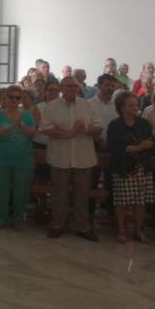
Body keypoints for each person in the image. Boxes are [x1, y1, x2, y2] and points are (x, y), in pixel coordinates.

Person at [40, 77, 102, 240]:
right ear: (61, 87)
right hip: (60, 156)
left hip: (83, 157)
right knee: (59, 193)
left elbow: (98, 127)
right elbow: (46, 129)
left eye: (76, 86)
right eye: (69, 86)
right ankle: (57, 224)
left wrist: (86, 129)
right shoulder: (52, 106)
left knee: (82, 194)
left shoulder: (87, 105)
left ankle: (83, 226)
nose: (73, 88)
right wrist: (70, 134)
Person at [106, 91, 155, 244]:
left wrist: (137, 148)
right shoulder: (115, 125)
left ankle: (138, 230)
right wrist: (139, 147)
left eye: (136, 104)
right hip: (122, 167)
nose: (136, 107)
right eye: (131, 105)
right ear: (122, 107)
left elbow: (150, 144)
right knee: (121, 201)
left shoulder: (144, 123)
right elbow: (115, 148)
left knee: (140, 202)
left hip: (141, 167)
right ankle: (121, 230)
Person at [0, 85, 37, 231]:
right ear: (6, 98)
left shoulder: (27, 115)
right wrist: (11, 127)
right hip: (1, 158)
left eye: (18, 97)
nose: (14, 100)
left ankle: (18, 219)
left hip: (23, 159)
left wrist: (22, 126)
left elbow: (32, 134)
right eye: (11, 97)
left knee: (21, 190)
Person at [89, 74, 118, 148]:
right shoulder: (88, 104)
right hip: (92, 144)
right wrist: (97, 138)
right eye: (107, 85)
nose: (110, 88)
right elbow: (86, 124)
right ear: (99, 86)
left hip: (115, 145)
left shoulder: (118, 105)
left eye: (113, 86)